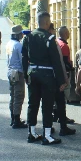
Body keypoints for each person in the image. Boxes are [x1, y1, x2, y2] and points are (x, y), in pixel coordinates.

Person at [22, 11, 68, 145]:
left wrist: (25, 75)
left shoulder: (28, 37)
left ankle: (31, 133)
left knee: (32, 103)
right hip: (47, 75)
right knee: (47, 105)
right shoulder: (49, 38)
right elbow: (56, 61)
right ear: (47, 23)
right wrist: (61, 81)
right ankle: (47, 135)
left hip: (32, 73)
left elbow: (24, 57)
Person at [6, 25, 28, 129]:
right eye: (21, 33)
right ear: (18, 34)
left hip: (10, 71)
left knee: (13, 96)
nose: (22, 35)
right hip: (18, 72)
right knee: (19, 96)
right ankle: (16, 120)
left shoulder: (9, 44)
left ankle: (12, 118)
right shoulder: (18, 45)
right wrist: (26, 73)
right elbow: (22, 60)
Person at [55, 26, 76, 125]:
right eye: (68, 32)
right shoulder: (64, 46)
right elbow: (64, 62)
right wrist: (71, 69)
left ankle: (57, 114)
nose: (69, 34)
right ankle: (62, 116)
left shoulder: (56, 43)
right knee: (64, 95)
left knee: (58, 96)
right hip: (65, 74)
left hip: (56, 74)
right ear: (65, 34)